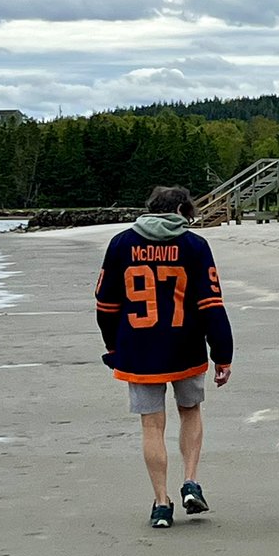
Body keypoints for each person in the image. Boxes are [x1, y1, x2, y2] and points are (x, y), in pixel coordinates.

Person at [95, 185, 233, 528]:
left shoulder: (121, 244)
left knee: (151, 426)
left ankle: (160, 503)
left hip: (138, 350)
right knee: (190, 411)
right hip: (185, 347)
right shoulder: (195, 246)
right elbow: (211, 306)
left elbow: (105, 305)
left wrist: (113, 346)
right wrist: (223, 354)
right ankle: (190, 482)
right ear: (184, 210)